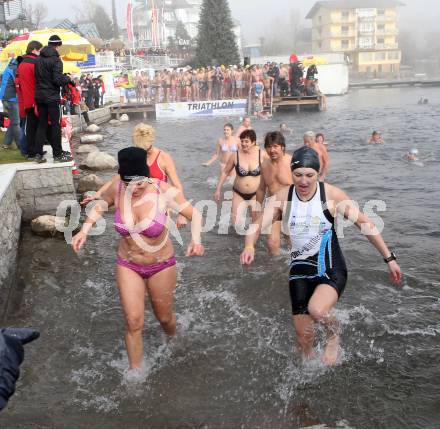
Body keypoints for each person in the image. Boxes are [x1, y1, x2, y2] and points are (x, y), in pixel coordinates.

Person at [241, 146, 402, 365]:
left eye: (310, 175)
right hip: (299, 272)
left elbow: (365, 224)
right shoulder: (282, 197)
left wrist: (389, 259)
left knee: (316, 310)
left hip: (330, 268)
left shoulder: (331, 195)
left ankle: (334, 334)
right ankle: (307, 382)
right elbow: (257, 225)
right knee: (303, 340)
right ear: (291, 174)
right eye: (298, 175)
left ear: (318, 174)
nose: (304, 181)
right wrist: (249, 246)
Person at [72, 147, 204, 371]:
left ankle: (174, 339)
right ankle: (135, 375)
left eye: (140, 183)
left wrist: (196, 239)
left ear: (147, 175)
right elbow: (102, 204)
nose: (135, 188)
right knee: (133, 322)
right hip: (128, 263)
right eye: (130, 183)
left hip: (161, 264)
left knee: (164, 318)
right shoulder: (117, 187)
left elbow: (195, 215)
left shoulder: (163, 190)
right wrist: (84, 229)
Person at [81, 123, 188, 228]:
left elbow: (177, 185)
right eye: (140, 149)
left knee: (158, 240)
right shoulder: (133, 157)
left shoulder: (164, 158)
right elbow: (118, 178)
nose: (144, 153)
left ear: (152, 141)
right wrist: (98, 193)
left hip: (159, 206)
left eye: (147, 149)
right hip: (135, 203)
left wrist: (182, 214)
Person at [34, 34, 72, 163]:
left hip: (39, 96)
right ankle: (57, 154)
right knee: (55, 125)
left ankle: (38, 154)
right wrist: (68, 79)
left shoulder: (38, 59)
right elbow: (57, 80)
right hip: (51, 96)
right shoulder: (56, 60)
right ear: (57, 45)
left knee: (42, 124)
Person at [215, 129, 264, 227]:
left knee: (255, 223)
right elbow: (225, 172)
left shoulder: (262, 154)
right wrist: (218, 189)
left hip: (255, 194)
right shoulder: (235, 155)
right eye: (242, 141)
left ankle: (252, 241)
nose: (243, 144)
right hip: (238, 193)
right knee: (235, 222)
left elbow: (274, 165)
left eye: (246, 141)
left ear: (253, 142)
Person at [257, 131, 293, 254]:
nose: (272, 150)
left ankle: (296, 263)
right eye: (269, 147)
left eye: (275, 146)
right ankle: (276, 270)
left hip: (291, 206)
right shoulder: (264, 165)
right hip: (273, 206)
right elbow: (261, 188)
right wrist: (257, 208)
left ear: (282, 147)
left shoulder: (292, 162)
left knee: (291, 239)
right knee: (272, 242)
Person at [15, 40, 43, 160]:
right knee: (35, 127)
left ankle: (33, 151)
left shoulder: (21, 65)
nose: (40, 53)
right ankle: (34, 151)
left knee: (30, 127)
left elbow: (19, 84)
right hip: (35, 99)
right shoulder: (34, 63)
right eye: (39, 50)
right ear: (34, 49)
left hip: (26, 100)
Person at [0, 58, 22, 152]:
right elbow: (18, 82)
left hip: (6, 97)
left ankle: (6, 143)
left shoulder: (11, 66)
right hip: (11, 98)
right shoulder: (15, 68)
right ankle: (22, 146)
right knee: (16, 122)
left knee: (14, 121)